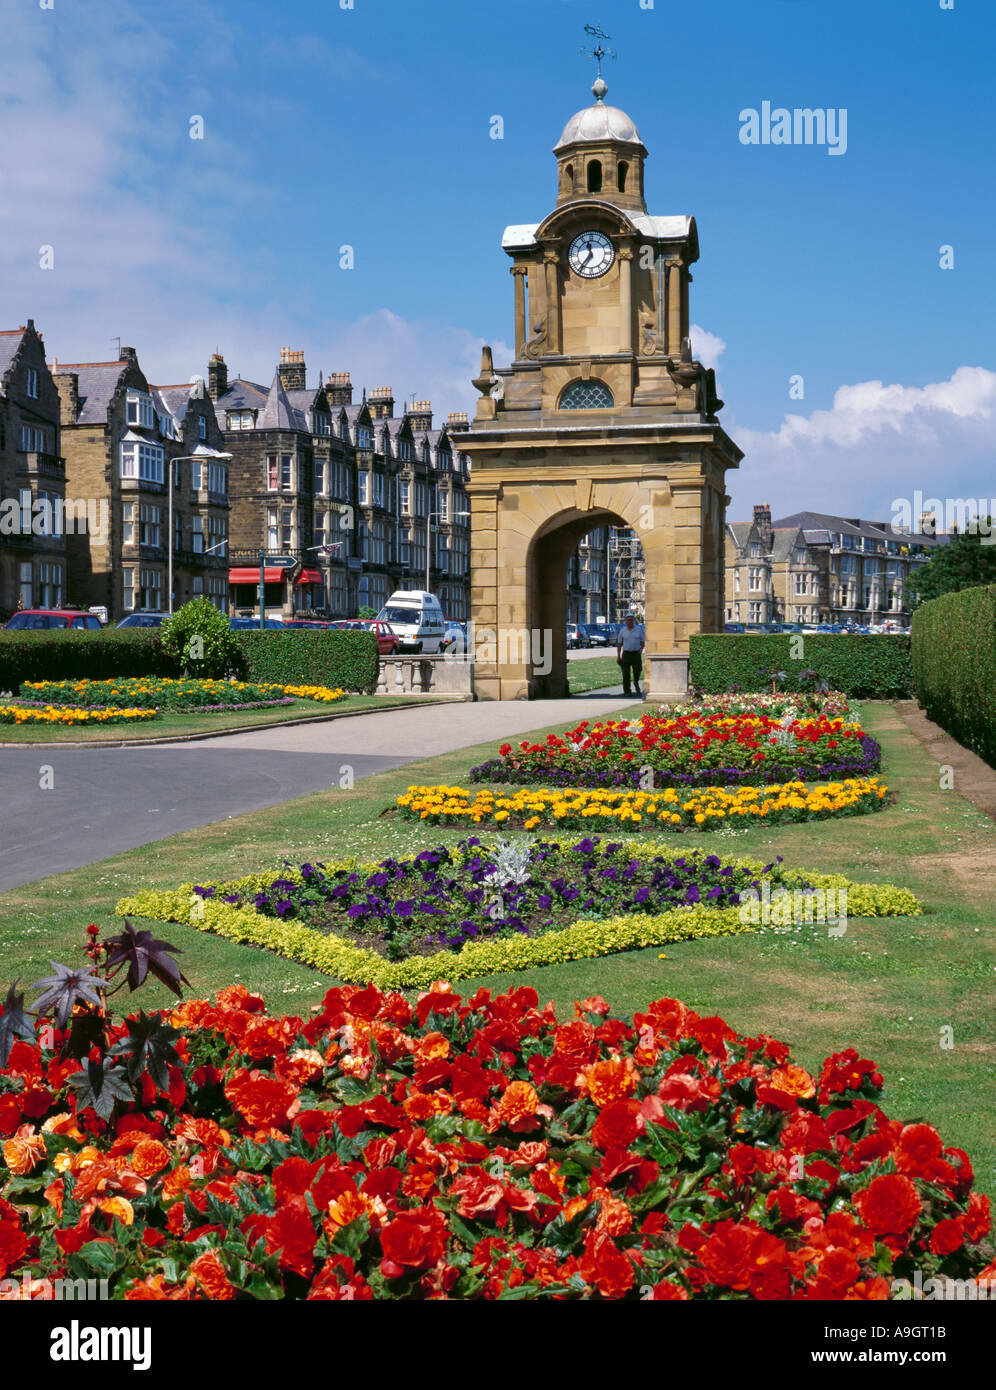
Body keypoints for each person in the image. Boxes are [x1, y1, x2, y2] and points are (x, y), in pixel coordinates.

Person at [615, 613, 646, 699]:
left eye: (631, 620)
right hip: (626, 654)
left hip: (636, 654)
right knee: (625, 674)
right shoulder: (622, 631)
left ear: (633, 620)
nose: (630, 621)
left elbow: (643, 642)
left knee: (637, 671)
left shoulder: (639, 630)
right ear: (625, 621)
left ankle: (636, 682)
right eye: (628, 620)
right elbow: (619, 644)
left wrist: (641, 650)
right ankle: (627, 691)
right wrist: (618, 656)